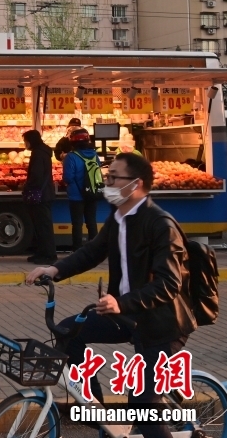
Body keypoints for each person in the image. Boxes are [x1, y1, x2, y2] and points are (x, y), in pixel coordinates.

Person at [27, 153, 196, 438]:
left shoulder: (161, 225)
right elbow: (92, 251)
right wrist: (55, 269)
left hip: (160, 324)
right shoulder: (119, 218)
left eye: (114, 177)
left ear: (136, 184)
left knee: (144, 411)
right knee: (70, 331)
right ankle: (100, 416)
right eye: (109, 176)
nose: (108, 182)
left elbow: (168, 284)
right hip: (128, 314)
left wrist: (120, 302)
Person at [23, 129, 57, 265]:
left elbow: (36, 176)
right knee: (42, 225)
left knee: (42, 226)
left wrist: (27, 186)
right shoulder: (44, 152)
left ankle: (48, 255)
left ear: (31, 141)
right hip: (45, 193)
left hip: (40, 195)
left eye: (25, 141)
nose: (25, 144)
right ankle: (42, 253)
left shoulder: (38, 154)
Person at [63, 128, 99, 250]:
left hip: (76, 195)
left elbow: (68, 177)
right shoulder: (94, 155)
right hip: (92, 193)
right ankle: (94, 249)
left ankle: (77, 249)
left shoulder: (71, 157)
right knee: (91, 222)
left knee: (77, 224)